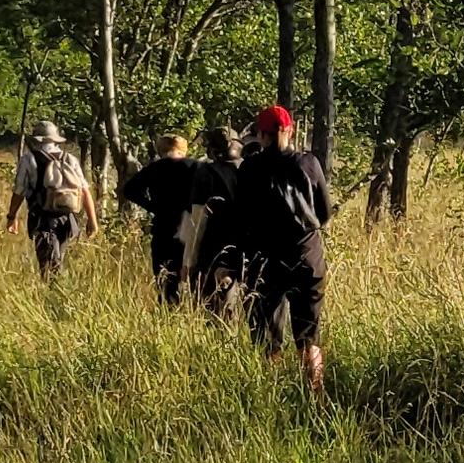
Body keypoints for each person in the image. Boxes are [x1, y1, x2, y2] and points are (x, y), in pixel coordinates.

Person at [207, 101, 333, 400]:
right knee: (309, 337)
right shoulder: (309, 163)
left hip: (264, 262)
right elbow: (325, 213)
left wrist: (230, 261)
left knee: (266, 337)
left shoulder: (251, 168)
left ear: (261, 135)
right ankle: (314, 396)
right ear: (291, 130)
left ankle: (270, 397)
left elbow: (239, 219)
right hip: (307, 259)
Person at [117, 132, 218, 307]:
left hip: (163, 228)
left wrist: (153, 207)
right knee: (195, 279)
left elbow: (129, 190)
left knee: (165, 283)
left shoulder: (155, 168)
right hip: (191, 228)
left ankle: (168, 311)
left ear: (160, 149)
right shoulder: (197, 167)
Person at [4, 120, 94, 281]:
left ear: (36, 139)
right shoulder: (70, 159)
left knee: (49, 268)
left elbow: (19, 192)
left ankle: (56, 292)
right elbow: (85, 191)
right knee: (57, 260)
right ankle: (59, 290)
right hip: (68, 220)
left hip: (42, 220)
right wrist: (92, 221)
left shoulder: (29, 159)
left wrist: (12, 217)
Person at [181, 125, 244, 319]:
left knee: (212, 312)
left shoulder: (206, 173)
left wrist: (188, 261)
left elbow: (197, 221)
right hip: (247, 247)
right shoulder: (251, 169)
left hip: (214, 249)